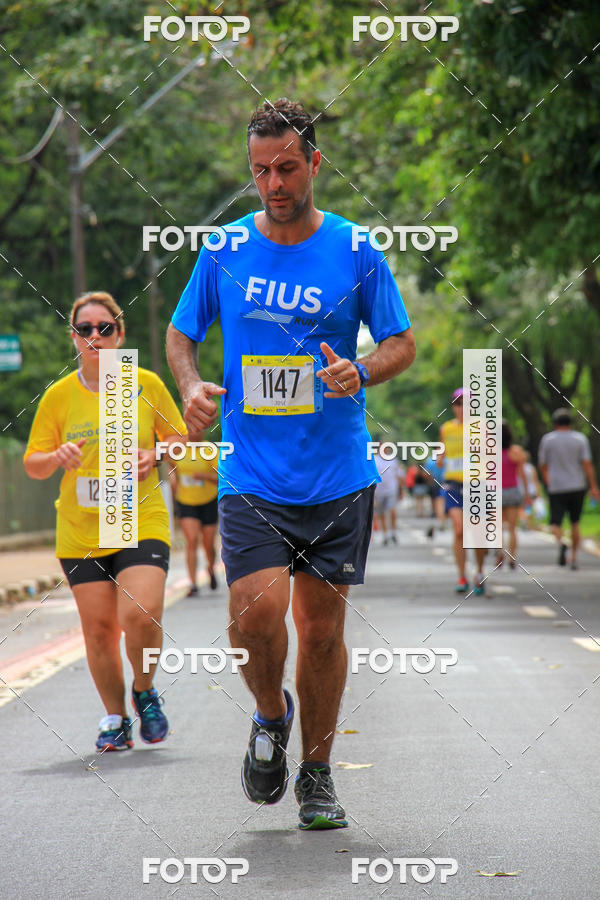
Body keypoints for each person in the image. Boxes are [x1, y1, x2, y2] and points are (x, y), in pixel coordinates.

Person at [166, 98, 415, 829]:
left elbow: (401, 342)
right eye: (258, 172)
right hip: (252, 472)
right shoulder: (225, 251)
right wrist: (189, 385)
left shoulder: (355, 250)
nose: (272, 184)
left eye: (284, 168)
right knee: (253, 612)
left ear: (313, 163)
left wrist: (362, 371)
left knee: (324, 630)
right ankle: (271, 715)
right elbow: (183, 336)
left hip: (336, 473)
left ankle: (316, 774)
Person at [24, 292, 186, 751]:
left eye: (105, 328)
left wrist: (155, 453)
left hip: (138, 517)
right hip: (81, 530)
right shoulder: (58, 396)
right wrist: (55, 456)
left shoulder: (145, 384)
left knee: (141, 614)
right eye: (84, 329)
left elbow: (179, 442)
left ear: (120, 335)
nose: (95, 336)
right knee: (97, 630)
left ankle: (144, 688)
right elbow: (33, 462)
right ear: (73, 336)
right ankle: (115, 718)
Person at [538, 407, 599, 569]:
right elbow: (587, 464)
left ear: (555, 423)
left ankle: (562, 543)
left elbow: (543, 465)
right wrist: (593, 486)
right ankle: (574, 557)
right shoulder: (580, 439)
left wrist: (548, 480)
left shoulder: (548, 440)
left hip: (556, 486)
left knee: (555, 523)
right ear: (570, 423)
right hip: (577, 486)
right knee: (575, 522)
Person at [440, 388, 487, 594]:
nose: (461, 408)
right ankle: (461, 575)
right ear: (453, 407)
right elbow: (442, 453)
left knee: (476, 533)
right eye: (458, 404)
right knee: (459, 529)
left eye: (466, 404)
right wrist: (440, 458)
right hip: (453, 483)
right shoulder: (446, 429)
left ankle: (478, 571)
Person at [169, 435, 219, 596]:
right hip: (186, 501)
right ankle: (192, 583)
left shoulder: (209, 450)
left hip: (208, 501)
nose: (194, 433)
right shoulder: (179, 450)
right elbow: (172, 468)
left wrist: (204, 476)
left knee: (208, 542)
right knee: (191, 541)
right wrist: (173, 481)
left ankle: (211, 568)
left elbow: (220, 478)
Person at [497, 422, 529, 568]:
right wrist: (527, 494)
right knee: (512, 528)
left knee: (498, 527)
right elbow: (522, 475)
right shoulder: (517, 452)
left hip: (496, 491)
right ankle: (511, 558)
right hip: (512, 491)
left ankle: (499, 553)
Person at [373, 447, 402, 544]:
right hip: (379, 491)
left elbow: (398, 475)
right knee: (381, 513)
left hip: (391, 489)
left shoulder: (393, 460)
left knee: (392, 511)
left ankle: (393, 532)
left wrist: (401, 490)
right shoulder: (375, 460)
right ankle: (385, 535)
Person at [425, 452, 446, 539]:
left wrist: (430, 481)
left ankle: (440, 519)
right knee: (440, 501)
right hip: (446, 483)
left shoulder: (430, 460)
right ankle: (441, 519)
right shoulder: (450, 458)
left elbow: (426, 474)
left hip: (437, 484)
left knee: (438, 502)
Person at [519, 452, 543, 528]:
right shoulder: (530, 468)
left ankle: (524, 519)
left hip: (520, 490)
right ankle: (527, 521)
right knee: (528, 507)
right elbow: (535, 480)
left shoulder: (517, 467)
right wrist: (538, 491)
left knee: (522, 507)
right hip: (531, 490)